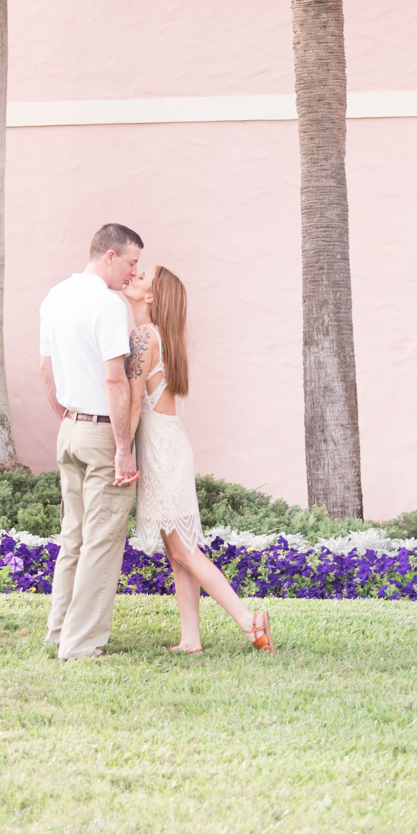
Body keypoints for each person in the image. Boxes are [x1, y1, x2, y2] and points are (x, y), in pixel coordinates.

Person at [126, 265, 273, 654]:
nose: (134, 276)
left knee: (185, 551)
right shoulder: (163, 338)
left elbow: (131, 400)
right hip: (171, 447)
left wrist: (120, 449)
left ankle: (249, 622)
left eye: (143, 277)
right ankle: (190, 640)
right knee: (179, 553)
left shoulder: (144, 336)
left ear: (152, 297)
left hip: (162, 453)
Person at [38, 221, 143, 660]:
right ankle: (81, 645)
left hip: (70, 430)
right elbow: (115, 382)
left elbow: (45, 370)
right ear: (110, 256)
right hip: (101, 432)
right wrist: (123, 447)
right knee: (102, 539)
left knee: (73, 538)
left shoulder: (55, 296)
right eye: (132, 263)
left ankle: (60, 632)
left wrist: (66, 416)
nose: (134, 275)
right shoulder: (109, 306)